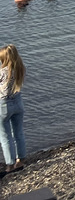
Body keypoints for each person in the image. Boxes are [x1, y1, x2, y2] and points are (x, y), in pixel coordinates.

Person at [0, 45, 26, 174]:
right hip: (18, 102)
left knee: (5, 136)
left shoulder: (2, 71)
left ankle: (10, 165)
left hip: (4, 104)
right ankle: (20, 161)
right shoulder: (20, 69)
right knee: (19, 133)